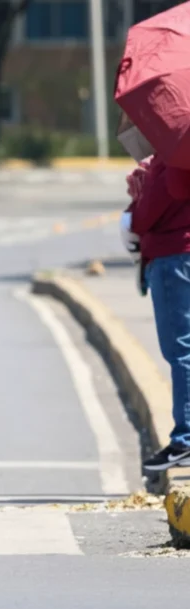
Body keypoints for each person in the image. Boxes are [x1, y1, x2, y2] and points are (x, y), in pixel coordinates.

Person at [122, 153, 190, 471]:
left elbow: (146, 215)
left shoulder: (173, 155)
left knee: (181, 350)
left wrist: (142, 187)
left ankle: (185, 439)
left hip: (175, 256)